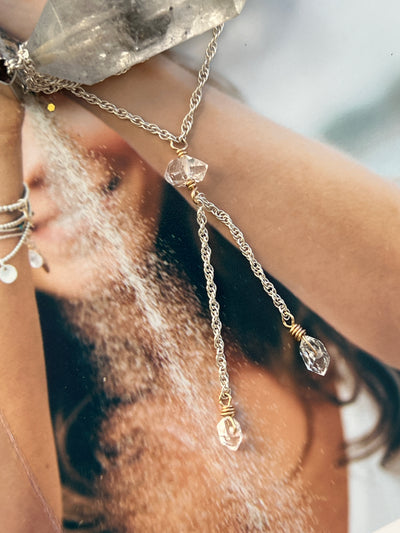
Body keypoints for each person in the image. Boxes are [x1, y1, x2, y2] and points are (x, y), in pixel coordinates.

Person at [1, 1, 400, 532]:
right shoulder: (28, 462)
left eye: (54, 101)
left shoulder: (326, 290)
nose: (34, 170)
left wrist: (84, 37)